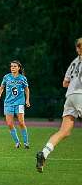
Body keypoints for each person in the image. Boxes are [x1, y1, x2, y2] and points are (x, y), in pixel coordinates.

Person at [36, 38, 82, 172]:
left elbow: (65, 83)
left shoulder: (74, 62)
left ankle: (44, 153)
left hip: (70, 97)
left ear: (77, 49)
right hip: (80, 94)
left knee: (64, 131)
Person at [0, 60, 31, 148]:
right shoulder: (6, 77)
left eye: (14, 66)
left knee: (21, 123)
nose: (13, 68)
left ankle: (26, 143)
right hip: (8, 103)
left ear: (19, 68)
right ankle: (17, 142)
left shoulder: (22, 78)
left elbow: (27, 89)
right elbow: (1, 88)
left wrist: (27, 100)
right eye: (11, 66)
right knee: (9, 124)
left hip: (19, 103)